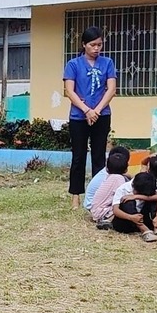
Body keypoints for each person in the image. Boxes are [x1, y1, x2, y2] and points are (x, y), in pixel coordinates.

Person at [63, 27, 118, 205]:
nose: (96, 48)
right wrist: (87, 110)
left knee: (99, 156)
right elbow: (69, 91)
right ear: (84, 45)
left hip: (101, 115)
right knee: (78, 155)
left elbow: (111, 89)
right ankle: (75, 195)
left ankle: (98, 195)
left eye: (99, 45)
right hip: (79, 116)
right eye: (92, 45)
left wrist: (97, 110)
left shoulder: (107, 62)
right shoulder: (73, 64)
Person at [85, 144, 131, 225]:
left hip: (94, 208)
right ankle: (108, 220)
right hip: (101, 211)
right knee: (126, 205)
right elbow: (123, 195)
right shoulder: (118, 178)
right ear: (126, 168)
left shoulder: (109, 175)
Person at [111, 169, 157, 238]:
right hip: (126, 222)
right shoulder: (123, 189)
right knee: (127, 200)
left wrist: (136, 196)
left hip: (143, 217)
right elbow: (115, 210)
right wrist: (131, 217)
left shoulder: (148, 186)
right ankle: (144, 229)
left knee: (153, 201)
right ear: (133, 186)